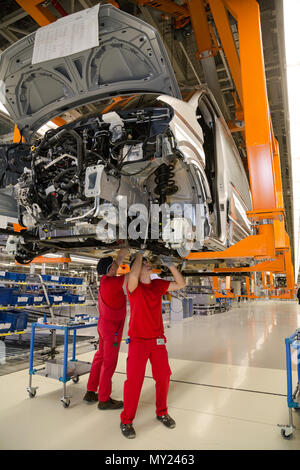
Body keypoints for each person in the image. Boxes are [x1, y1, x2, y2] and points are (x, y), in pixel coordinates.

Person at [120, 252, 186, 439]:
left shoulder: (157, 285)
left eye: (149, 263)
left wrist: (171, 265)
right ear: (137, 268)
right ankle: (126, 420)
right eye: (145, 264)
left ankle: (162, 412)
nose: (149, 265)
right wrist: (140, 254)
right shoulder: (133, 286)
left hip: (157, 340)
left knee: (164, 376)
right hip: (138, 342)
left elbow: (181, 284)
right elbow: (132, 275)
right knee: (134, 382)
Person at [83, 248, 129, 409]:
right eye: (113, 266)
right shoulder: (114, 282)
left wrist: (122, 254)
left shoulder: (105, 279)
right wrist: (139, 258)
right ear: (110, 270)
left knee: (100, 357)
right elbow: (131, 275)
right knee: (109, 362)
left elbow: (115, 265)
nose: (116, 267)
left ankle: (90, 391)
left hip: (103, 326)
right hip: (112, 329)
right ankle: (104, 399)